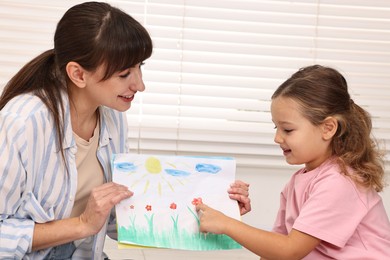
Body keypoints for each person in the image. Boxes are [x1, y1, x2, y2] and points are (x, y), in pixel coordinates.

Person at [0, 2, 252, 259]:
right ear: (78, 74)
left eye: (139, 67)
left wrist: (220, 212)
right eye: (124, 74)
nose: (140, 85)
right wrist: (82, 224)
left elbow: (119, 220)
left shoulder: (113, 118)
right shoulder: (23, 123)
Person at [196, 65, 390, 259]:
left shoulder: (339, 182)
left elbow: (290, 251)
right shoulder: (297, 183)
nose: (277, 138)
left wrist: (228, 225)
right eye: (276, 127)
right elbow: (275, 252)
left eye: (287, 130)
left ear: (328, 128)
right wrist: (229, 215)